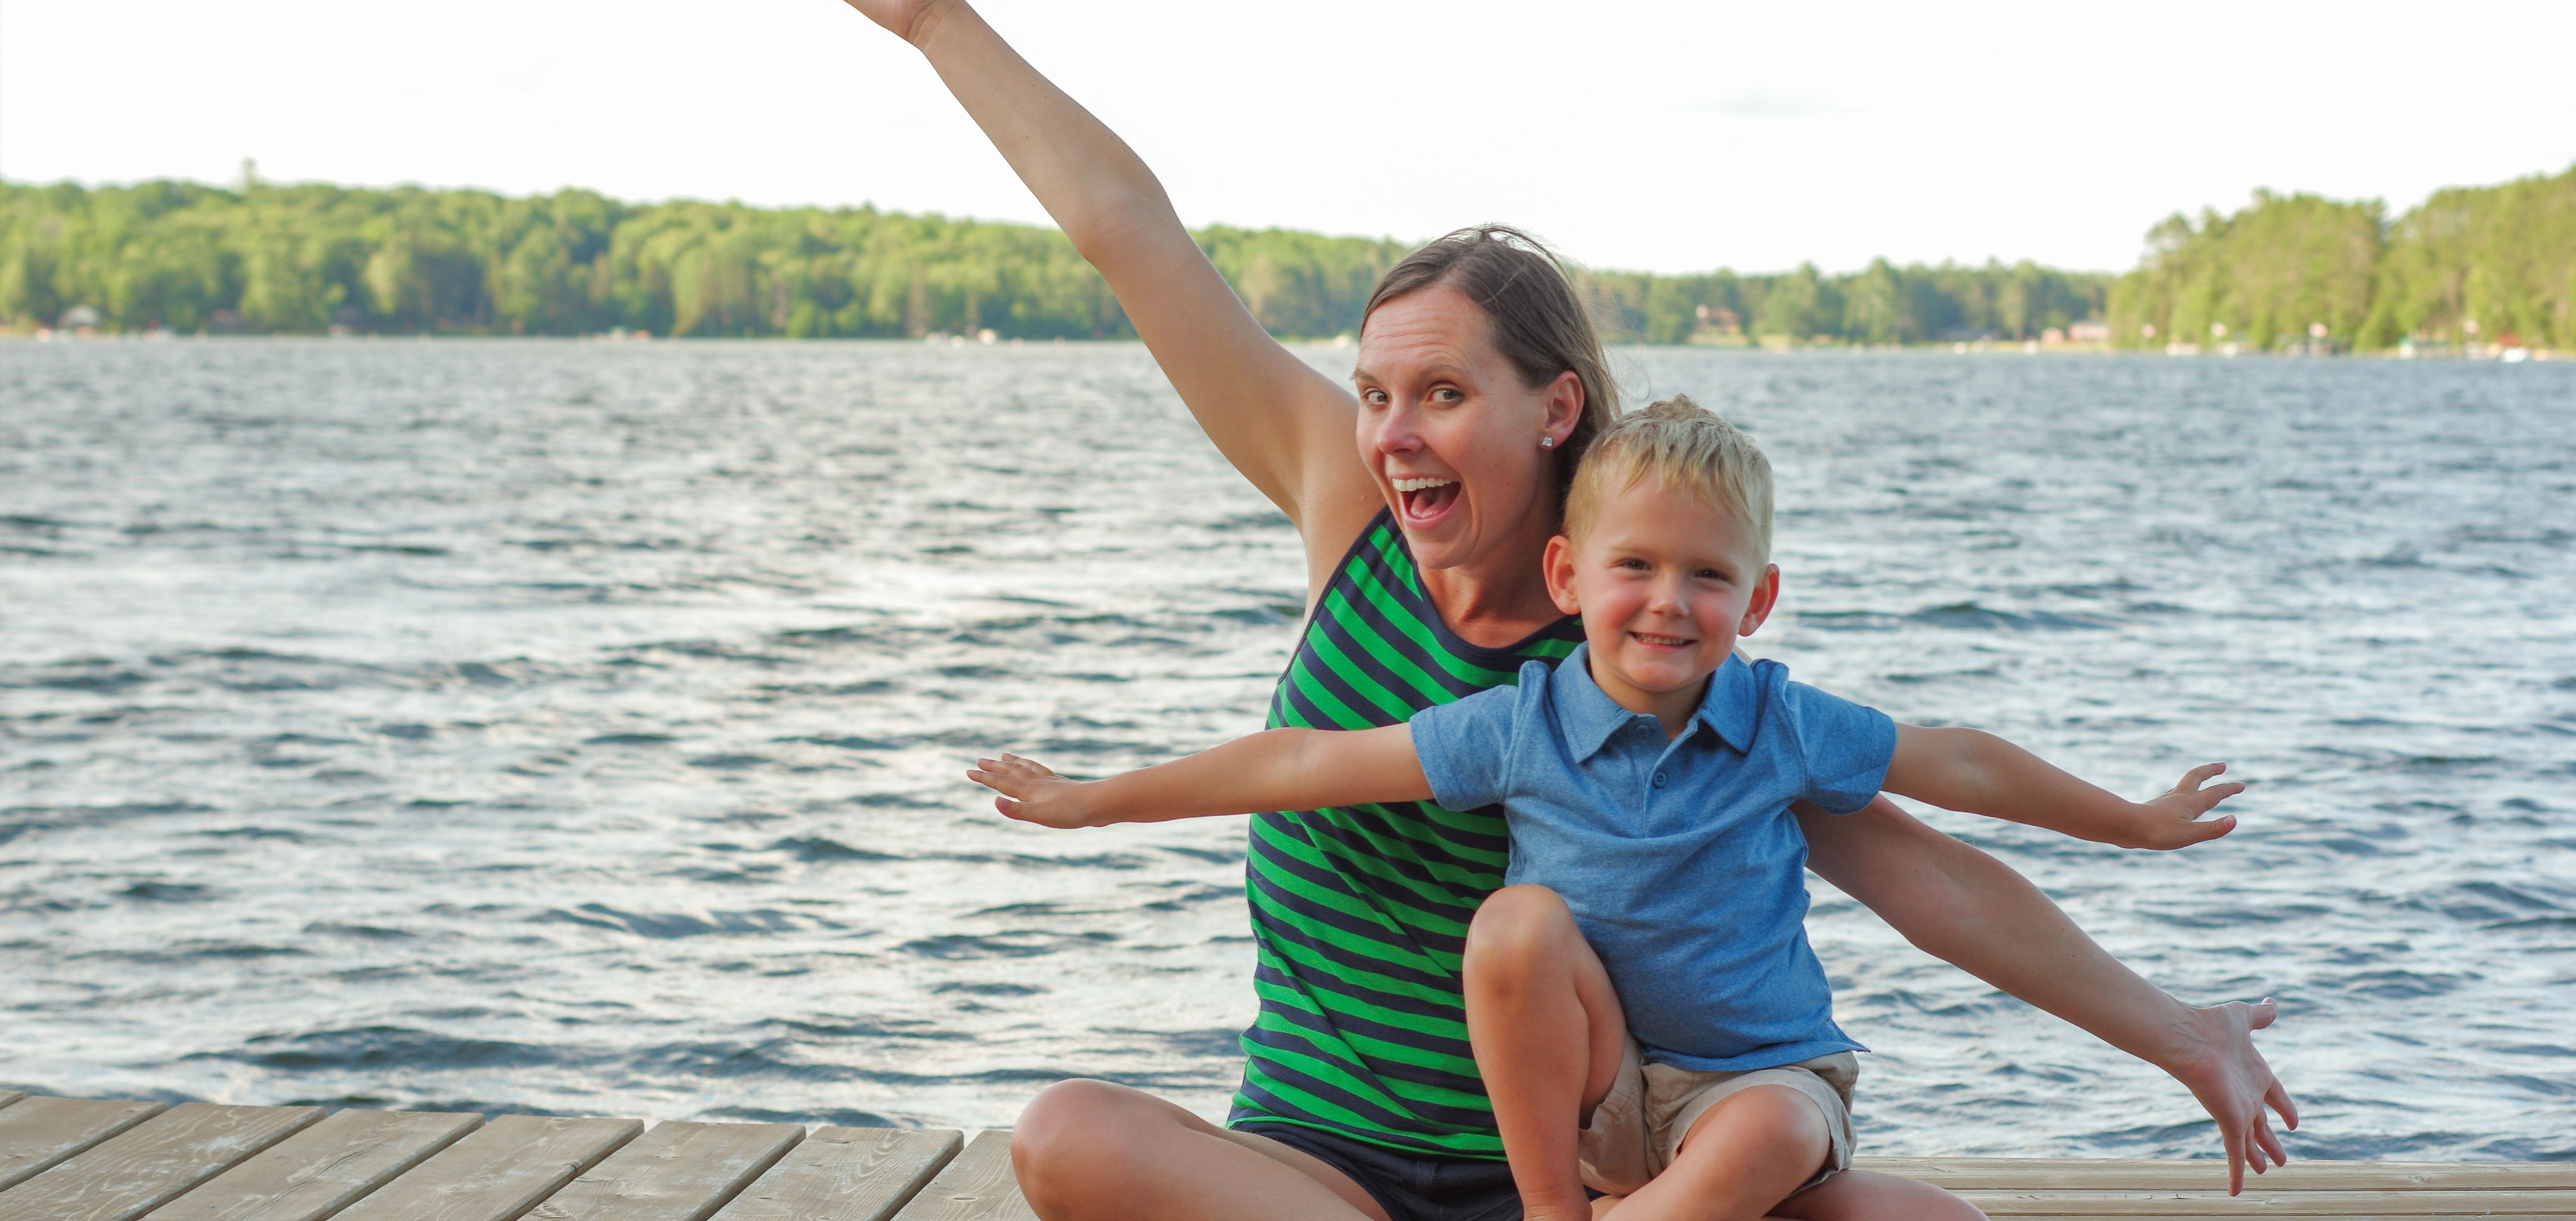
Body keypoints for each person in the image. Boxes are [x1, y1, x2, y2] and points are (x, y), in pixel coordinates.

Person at [830, 3, 2296, 1219]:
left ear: (1557, 410)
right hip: (1316, 1160)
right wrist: (936, 24)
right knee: (1068, 1135)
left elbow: (1929, 876)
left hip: (1577, 1172)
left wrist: (2179, 1033)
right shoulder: (1346, 507)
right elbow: (1125, 231)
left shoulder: (1635, 638)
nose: (1394, 432)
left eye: (1446, 395)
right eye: (1377, 394)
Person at [968, 397, 2252, 1221]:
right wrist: (1097, 801)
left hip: (1762, 1088)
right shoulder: (1518, 725)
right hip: (1602, 1115)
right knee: (1515, 927)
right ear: (1571, 575)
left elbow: (1959, 766)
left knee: (1785, 1144)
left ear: (1756, 601)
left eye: (1708, 576)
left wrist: (2131, 821)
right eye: (1634, 567)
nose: (1667, 601)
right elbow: (1298, 765)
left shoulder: (1780, 722)